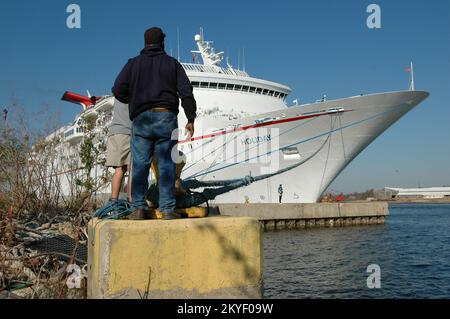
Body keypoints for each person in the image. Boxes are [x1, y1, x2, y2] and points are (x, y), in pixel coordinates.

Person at [112, 27, 197, 220]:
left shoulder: (133, 64)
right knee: (167, 163)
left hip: (141, 119)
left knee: (140, 164)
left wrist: (134, 101)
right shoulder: (172, 64)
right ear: (162, 43)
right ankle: (167, 209)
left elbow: (118, 89)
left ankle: (139, 209)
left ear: (145, 42)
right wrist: (190, 118)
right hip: (166, 117)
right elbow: (186, 92)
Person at [105, 99, 132, 204]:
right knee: (131, 168)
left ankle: (113, 201)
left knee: (119, 169)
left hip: (114, 131)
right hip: (126, 131)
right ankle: (131, 200)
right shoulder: (132, 91)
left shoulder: (118, 95)